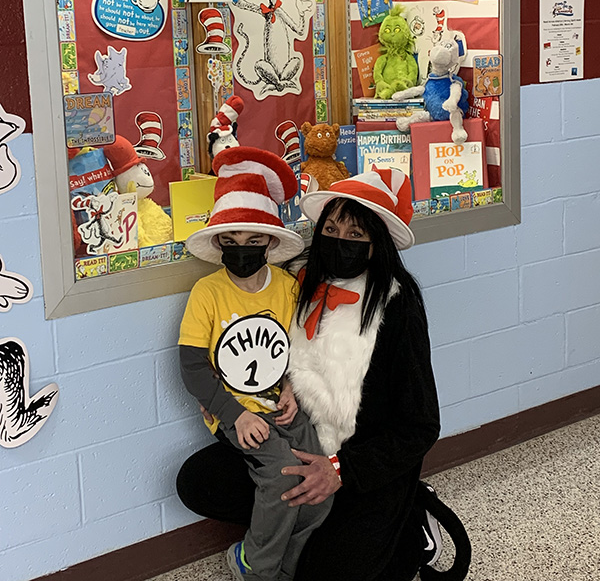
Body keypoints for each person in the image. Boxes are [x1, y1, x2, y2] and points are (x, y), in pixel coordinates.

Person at [177, 166, 471, 581]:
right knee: (198, 481)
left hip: (361, 466)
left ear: (378, 243)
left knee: (321, 572)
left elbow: (420, 427)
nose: (339, 241)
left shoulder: (398, 305)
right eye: (331, 229)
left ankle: (409, 520)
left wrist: (339, 471)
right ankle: (294, 521)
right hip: (298, 437)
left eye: (355, 235)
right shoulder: (298, 279)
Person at [178, 146, 333, 581]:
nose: (241, 250)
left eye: (253, 241)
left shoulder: (285, 288)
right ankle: (257, 566)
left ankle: (291, 561)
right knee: (283, 476)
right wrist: (236, 414)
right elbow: (191, 367)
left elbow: (296, 348)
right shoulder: (207, 294)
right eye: (230, 242)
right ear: (218, 242)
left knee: (316, 481)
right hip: (234, 411)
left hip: (281, 402)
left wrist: (290, 387)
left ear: (270, 241)